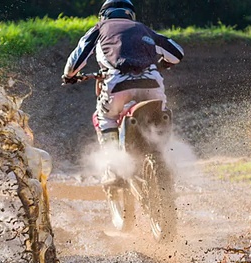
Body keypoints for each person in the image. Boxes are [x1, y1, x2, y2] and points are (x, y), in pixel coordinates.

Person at [62, 0, 184, 185]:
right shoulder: (143, 29)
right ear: (130, 15)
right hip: (152, 85)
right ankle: (166, 159)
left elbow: (78, 58)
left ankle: (113, 169)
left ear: (103, 15)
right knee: (161, 114)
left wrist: (69, 75)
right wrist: (160, 65)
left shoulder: (100, 28)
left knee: (105, 118)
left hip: (117, 85)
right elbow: (177, 53)